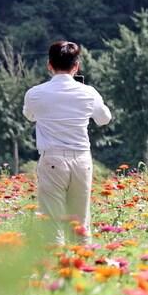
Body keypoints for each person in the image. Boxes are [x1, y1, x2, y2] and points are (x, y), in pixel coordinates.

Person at [22, 40, 113, 243]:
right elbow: (104, 119)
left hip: (52, 158)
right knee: (80, 225)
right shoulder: (88, 93)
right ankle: (82, 268)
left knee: (52, 225)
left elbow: (30, 116)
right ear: (76, 66)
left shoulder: (35, 93)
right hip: (81, 160)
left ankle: (55, 269)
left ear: (49, 65)